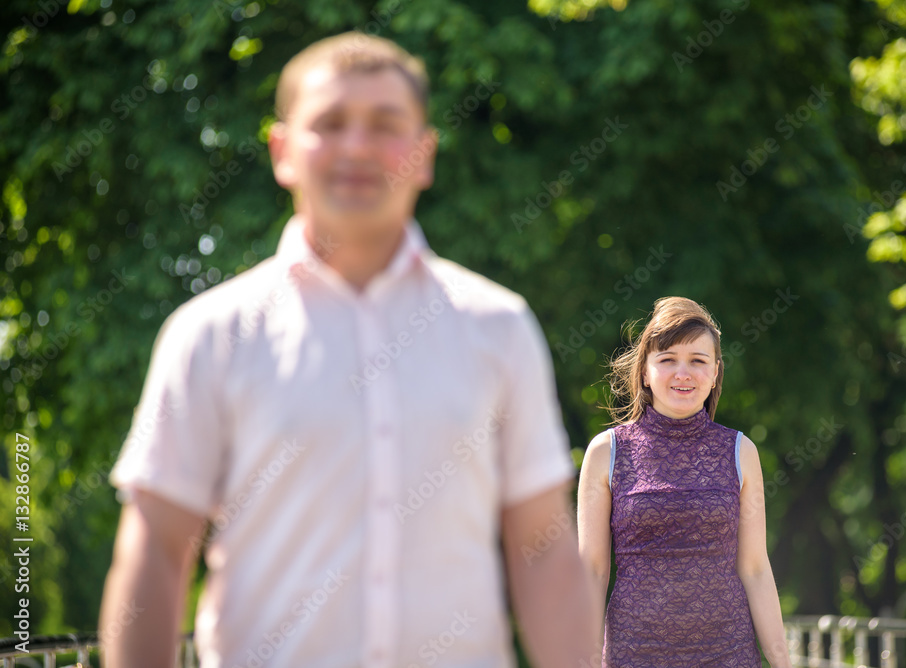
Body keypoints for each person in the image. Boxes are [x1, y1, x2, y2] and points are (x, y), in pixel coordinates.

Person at [100, 32, 601, 668]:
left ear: (424, 154)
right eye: (330, 124)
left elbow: (544, 551)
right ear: (282, 151)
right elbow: (156, 549)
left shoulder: (499, 327)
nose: (358, 147)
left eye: (385, 125)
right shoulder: (210, 335)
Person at [577, 297, 792, 667]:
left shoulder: (741, 452)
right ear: (645, 372)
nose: (683, 373)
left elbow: (756, 569)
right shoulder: (606, 452)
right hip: (634, 656)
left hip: (729, 655)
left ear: (715, 372)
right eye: (667, 360)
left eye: (697, 360)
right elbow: (592, 572)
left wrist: (783, 664)